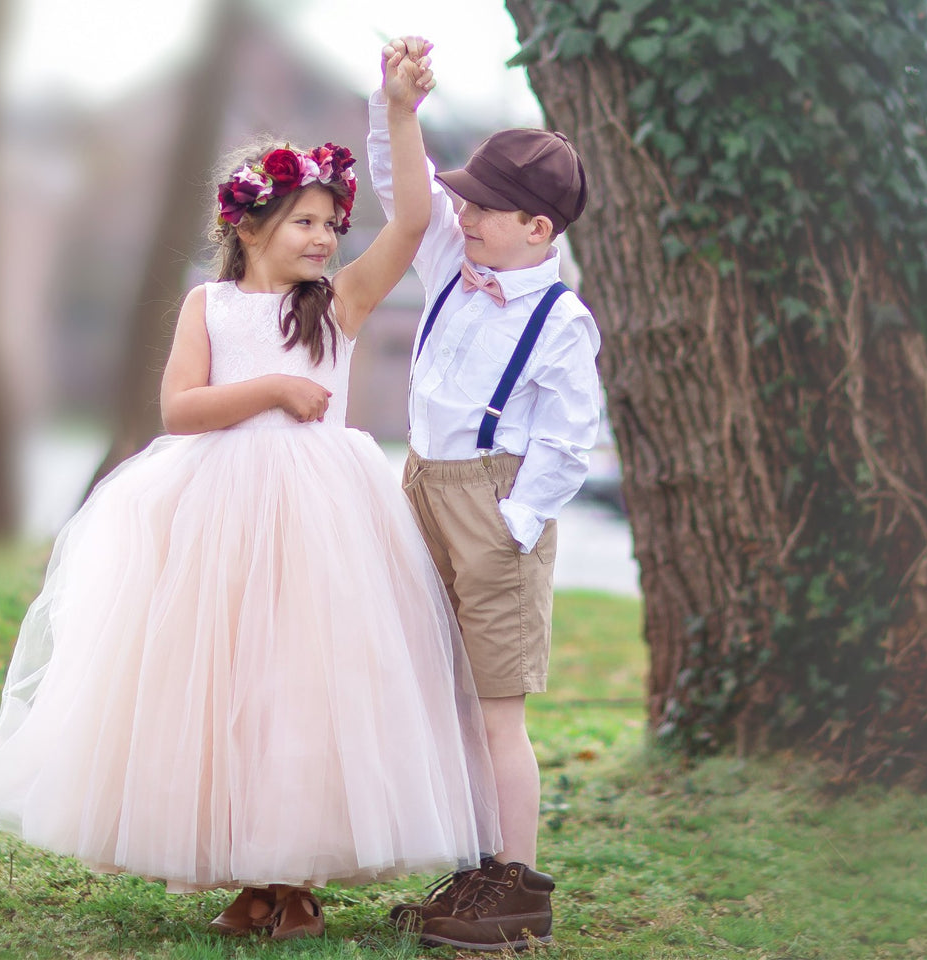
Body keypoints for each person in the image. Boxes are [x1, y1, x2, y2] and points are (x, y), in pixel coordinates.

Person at [0, 41, 500, 942]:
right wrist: (270, 391)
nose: (324, 237)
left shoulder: (339, 304)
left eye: (333, 224)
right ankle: (244, 870)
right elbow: (180, 409)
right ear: (249, 228)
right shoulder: (208, 308)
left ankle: (295, 877)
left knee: (308, 683)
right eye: (304, 221)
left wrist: (399, 111)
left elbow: (411, 225)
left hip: (321, 520)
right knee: (226, 683)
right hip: (219, 510)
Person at [368, 36, 601, 953]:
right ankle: (474, 868)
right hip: (423, 487)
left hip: (498, 509)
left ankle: (517, 889)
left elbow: (568, 439)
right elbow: (404, 183)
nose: (459, 213)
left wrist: (515, 521)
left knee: (498, 704)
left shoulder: (562, 322)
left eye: (484, 208)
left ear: (538, 230)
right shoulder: (446, 263)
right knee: (450, 692)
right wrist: (397, 105)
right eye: (462, 200)